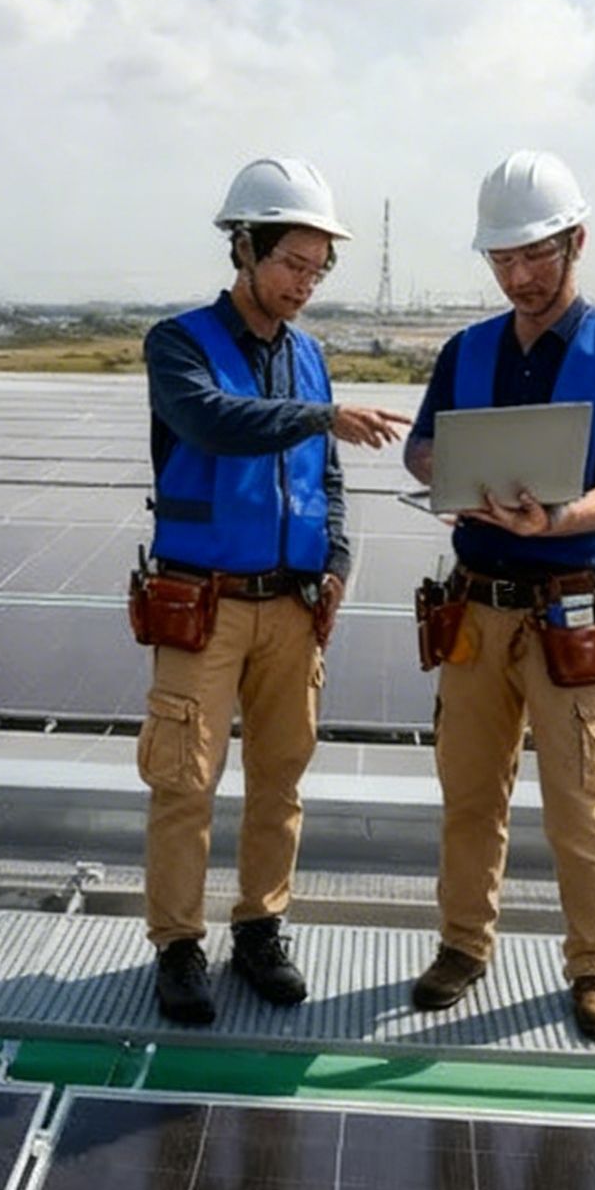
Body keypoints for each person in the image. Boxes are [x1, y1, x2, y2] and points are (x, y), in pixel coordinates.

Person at [137, 157, 407, 1026]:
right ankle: (179, 946)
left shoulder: (311, 358)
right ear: (243, 248)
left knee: (280, 778)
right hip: (202, 604)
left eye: (319, 270)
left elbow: (324, 481)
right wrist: (323, 416)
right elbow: (214, 421)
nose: (306, 284)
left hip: (293, 605)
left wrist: (334, 562)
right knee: (186, 779)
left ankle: (260, 928)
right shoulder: (177, 344)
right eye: (293, 263)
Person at [403, 151, 595, 1039]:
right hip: (475, 608)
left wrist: (555, 520)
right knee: (469, 791)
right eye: (502, 261)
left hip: (570, 612)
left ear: (576, 242)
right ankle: (464, 944)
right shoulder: (465, 351)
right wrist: (447, 475)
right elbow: (422, 449)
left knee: (581, 803)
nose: (519, 276)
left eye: (536, 257)